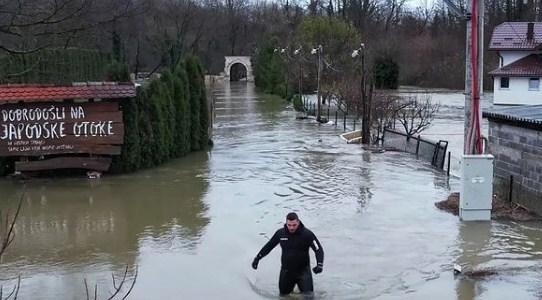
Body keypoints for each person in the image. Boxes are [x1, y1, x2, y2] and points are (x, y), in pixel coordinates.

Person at [251, 212, 324, 296]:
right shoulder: (280, 233)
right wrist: (257, 258)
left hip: (303, 272)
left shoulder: (307, 234)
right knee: (283, 296)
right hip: (286, 272)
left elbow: (318, 249)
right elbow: (269, 246)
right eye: (289, 225)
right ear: (286, 223)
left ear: (298, 222)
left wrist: (320, 264)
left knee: (309, 297)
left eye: (294, 225)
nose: (291, 227)